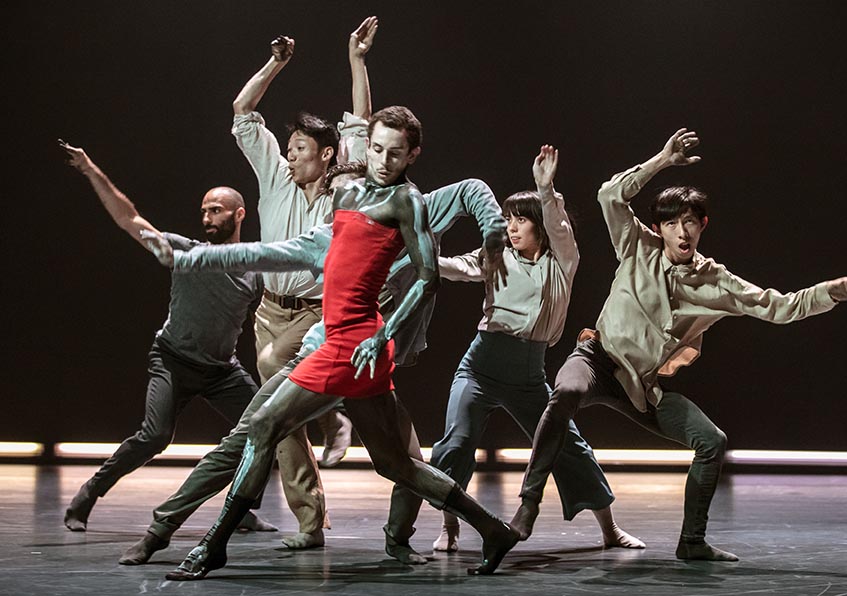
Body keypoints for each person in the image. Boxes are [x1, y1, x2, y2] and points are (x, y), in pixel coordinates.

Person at [151, 106, 517, 581]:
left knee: (262, 427)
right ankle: (493, 529)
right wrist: (198, 256)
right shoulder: (346, 192)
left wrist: (386, 331)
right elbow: (286, 251)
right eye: (378, 148)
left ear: (413, 155)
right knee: (395, 464)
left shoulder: (406, 202)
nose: (384, 160)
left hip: (356, 343)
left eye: (396, 153)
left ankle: (213, 545)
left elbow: (428, 279)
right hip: (342, 339)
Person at [510, 129, 847, 561]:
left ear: (702, 226)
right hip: (597, 359)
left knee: (711, 440)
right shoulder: (636, 246)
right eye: (670, 223)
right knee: (565, 391)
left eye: (689, 223)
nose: (681, 233)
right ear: (659, 227)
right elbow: (610, 195)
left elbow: (779, 307)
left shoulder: (716, 281)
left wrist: (828, 291)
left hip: (641, 387)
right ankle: (528, 506)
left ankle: (692, 542)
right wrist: (662, 160)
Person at [429, 145, 645, 553]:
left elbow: (560, 228)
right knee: (455, 444)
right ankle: (450, 528)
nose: (511, 227)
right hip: (479, 365)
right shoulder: (498, 256)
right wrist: (427, 257)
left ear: (539, 226)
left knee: (567, 445)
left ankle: (609, 529)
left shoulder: (561, 260)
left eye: (521, 220)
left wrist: (546, 190)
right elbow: (459, 267)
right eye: (508, 219)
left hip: (527, 375)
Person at [58, 141, 273, 535]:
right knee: (154, 436)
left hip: (221, 371)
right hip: (172, 359)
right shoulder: (183, 252)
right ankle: (90, 492)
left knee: (265, 428)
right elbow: (130, 219)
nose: (207, 216)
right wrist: (91, 169)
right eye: (204, 210)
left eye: (216, 210)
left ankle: (241, 510)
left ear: (239, 214)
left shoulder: (253, 267)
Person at [228, 18, 376, 550]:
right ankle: (310, 520)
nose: (289, 155)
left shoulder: (344, 188)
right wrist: (275, 64)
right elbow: (243, 112)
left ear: (326, 155)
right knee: (279, 411)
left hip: (318, 315)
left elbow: (360, 124)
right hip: (270, 312)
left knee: (271, 372)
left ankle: (337, 414)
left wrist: (357, 62)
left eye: (299, 148)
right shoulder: (275, 176)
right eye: (287, 147)